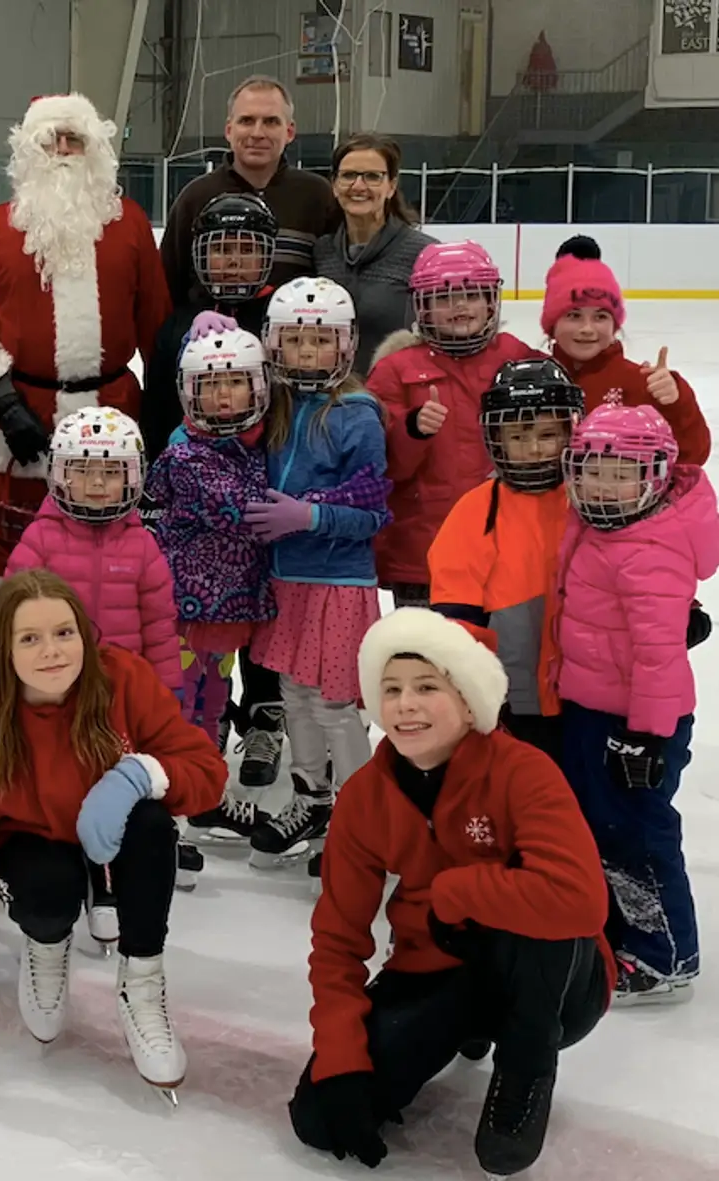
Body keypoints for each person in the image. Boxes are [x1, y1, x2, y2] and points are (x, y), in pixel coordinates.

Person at [291, 608, 614, 1177]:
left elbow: (580, 901)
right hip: (437, 967)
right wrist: (341, 1059)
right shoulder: (366, 796)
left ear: (469, 701)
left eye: (426, 687)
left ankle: (524, 1070)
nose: (404, 705)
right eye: (390, 689)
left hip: (556, 985)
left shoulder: (523, 771)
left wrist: (454, 891)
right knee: (320, 1117)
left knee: (543, 919)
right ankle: (464, 1027)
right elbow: (338, 936)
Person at [0, 569, 227, 1098]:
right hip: (35, 841)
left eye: (64, 633)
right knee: (49, 889)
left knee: (154, 827)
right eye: (30, 638)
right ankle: (47, 946)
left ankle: (142, 982)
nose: (52, 651)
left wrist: (141, 773)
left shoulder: (120, 680)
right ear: (3, 649)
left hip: (107, 830)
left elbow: (205, 770)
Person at [0, 93, 166, 602]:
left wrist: (161, 422)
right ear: (30, 150)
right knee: (11, 564)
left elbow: (156, 328)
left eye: (75, 139)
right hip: (19, 421)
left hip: (112, 417)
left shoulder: (130, 224)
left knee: (111, 559)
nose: (65, 150)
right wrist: (5, 405)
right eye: (52, 140)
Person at [554, 404, 719, 1005]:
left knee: (637, 833)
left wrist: (646, 736)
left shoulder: (648, 547)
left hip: (635, 723)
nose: (603, 485)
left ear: (655, 477)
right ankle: (623, 931)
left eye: (621, 473)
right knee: (602, 825)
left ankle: (665, 955)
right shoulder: (600, 526)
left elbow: (659, 655)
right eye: (592, 470)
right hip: (591, 708)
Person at [7, 406, 192, 907]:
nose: (95, 485)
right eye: (82, 471)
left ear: (132, 477)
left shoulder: (142, 546)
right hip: (50, 691)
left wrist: (166, 690)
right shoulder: (40, 538)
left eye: (110, 472)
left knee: (111, 777)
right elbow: (11, 619)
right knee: (57, 776)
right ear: (59, 474)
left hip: (119, 697)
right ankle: (57, 857)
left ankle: (107, 870)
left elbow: (159, 624)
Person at [243, 277, 390, 871]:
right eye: (294, 340)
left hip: (338, 585)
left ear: (346, 345)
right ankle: (311, 797)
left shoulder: (356, 416)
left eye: (320, 341)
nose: (307, 353)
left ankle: (360, 816)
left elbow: (373, 512)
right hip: (286, 579)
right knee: (294, 695)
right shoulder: (272, 408)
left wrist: (310, 515)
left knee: (333, 704)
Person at [367, 240, 542, 609]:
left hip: (506, 546)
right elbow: (383, 466)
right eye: (444, 298)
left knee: (498, 660)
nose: (460, 306)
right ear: (422, 306)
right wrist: (413, 430)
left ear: (491, 301)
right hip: (422, 555)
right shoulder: (395, 370)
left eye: (471, 295)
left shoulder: (517, 358)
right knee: (424, 660)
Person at [427, 360, 585, 761]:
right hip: (513, 699)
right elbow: (456, 612)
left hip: (589, 695)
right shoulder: (477, 510)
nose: (534, 448)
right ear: (496, 438)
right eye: (519, 435)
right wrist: (473, 688)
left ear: (572, 431)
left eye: (549, 434)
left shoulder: (592, 499)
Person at [145, 330, 277, 762]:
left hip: (228, 611)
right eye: (210, 385)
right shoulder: (188, 458)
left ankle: (202, 786)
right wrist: (313, 508)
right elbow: (241, 512)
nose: (223, 396)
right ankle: (178, 793)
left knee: (215, 701)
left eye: (236, 383)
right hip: (189, 611)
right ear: (189, 392)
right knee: (182, 705)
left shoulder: (251, 447)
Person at [158, 75, 339, 321]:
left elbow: (333, 281)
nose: (257, 133)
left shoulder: (317, 195)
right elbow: (168, 286)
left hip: (296, 348)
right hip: (210, 348)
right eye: (247, 121)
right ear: (229, 130)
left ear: (290, 131)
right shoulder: (196, 197)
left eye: (271, 122)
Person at [540, 235, 711, 464]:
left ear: (615, 325)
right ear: (552, 324)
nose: (587, 329)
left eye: (600, 317)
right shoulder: (535, 380)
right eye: (574, 316)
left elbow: (692, 456)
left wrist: (676, 404)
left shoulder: (641, 383)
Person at [144, 192, 282, 447]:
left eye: (248, 249)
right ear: (201, 254)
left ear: (266, 256)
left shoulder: (280, 320)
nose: (233, 261)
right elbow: (157, 409)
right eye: (221, 249)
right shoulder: (179, 325)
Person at [313, 135, 436, 375]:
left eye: (372, 176)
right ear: (335, 185)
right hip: (331, 396)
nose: (359, 186)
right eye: (349, 175)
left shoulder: (423, 254)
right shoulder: (321, 251)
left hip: (395, 398)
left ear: (391, 186)